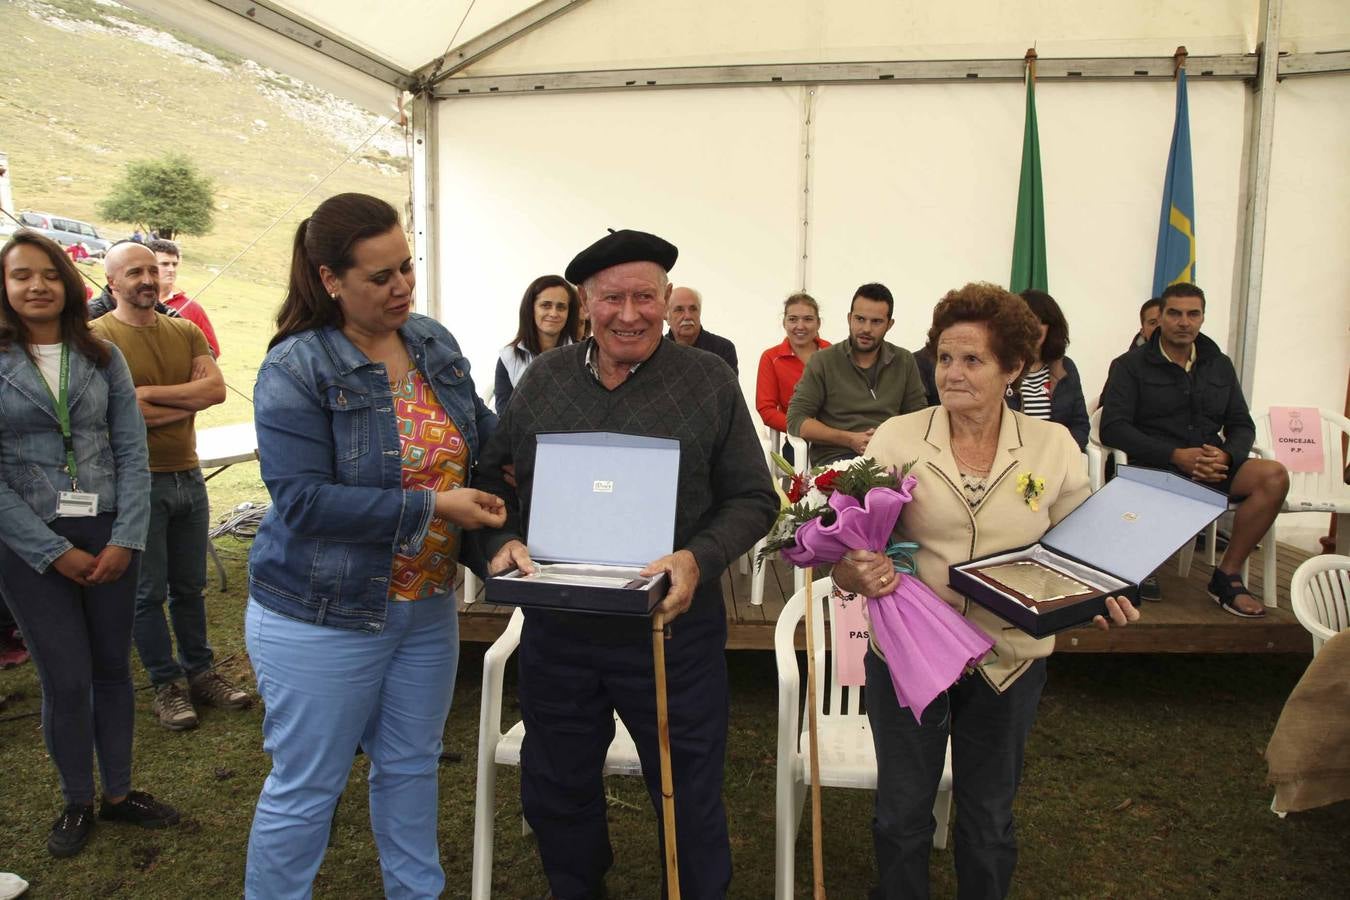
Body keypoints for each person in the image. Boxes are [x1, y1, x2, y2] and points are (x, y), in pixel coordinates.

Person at [478, 228, 777, 898]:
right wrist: (501, 541)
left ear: (668, 300)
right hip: (559, 628)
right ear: (586, 303)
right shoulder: (546, 379)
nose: (631, 313)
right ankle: (577, 885)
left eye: (646, 296)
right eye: (613, 298)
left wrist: (699, 556)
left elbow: (755, 498)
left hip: (670, 632)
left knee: (686, 788)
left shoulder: (708, 381)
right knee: (556, 784)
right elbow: (492, 477)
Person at [833, 281, 1139, 898]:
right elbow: (847, 543)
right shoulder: (897, 436)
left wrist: (1100, 593)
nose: (952, 372)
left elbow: (1079, 549)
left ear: (1014, 368)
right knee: (900, 816)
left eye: (972, 359)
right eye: (945, 357)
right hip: (910, 657)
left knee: (989, 820)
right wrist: (850, 571)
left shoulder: (1053, 445)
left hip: (1010, 659)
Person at [244, 193, 505, 899]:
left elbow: (480, 437)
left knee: (412, 765)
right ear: (330, 279)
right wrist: (432, 506)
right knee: (309, 786)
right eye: (380, 277)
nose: (402, 289)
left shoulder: (430, 341)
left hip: (425, 606)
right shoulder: (297, 367)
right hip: (321, 614)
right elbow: (301, 501)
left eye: (407, 268)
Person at [0, 231, 179, 859]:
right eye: (22, 275)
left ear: (70, 283)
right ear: (5, 285)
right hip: (28, 546)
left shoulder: (103, 356)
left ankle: (120, 793)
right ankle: (77, 799)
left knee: (112, 671)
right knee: (65, 678)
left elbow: (132, 450)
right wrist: (51, 552)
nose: (37, 286)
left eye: (49, 273)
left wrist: (127, 536)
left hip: (110, 534)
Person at [91, 242, 249, 730]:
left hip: (188, 474)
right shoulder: (97, 336)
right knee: (147, 593)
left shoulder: (184, 330)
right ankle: (166, 684)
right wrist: (183, 402)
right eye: (133, 272)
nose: (146, 278)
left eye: (151, 270)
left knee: (190, 586)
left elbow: (215, 390)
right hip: (136, 483)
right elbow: (119, 412)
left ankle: (201, 672)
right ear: (111, 282)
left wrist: (146, 395)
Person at [1101, 282, 1289, 618]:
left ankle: (1226, 575)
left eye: (1193, 314)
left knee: (1273, 476)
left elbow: (1242, 424)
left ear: (1202, 318)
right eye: (1175, 313)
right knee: (1162, 475)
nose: (1184, 322)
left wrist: (1228, 456)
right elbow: (1113, 427)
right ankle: (1137, 565)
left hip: (1211, 466)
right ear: (1160, 318)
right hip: (1157, 469)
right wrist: (1176, 455)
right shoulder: (1130, 365)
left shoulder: (1219, 364)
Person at [786, 282, 928, 466]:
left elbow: (919, 418)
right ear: (849, 318)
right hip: (835, 460)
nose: (866, 329)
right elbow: (797, 420)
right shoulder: (823, 361)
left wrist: (885, 439)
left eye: (876, 321)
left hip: (892, 459)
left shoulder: (904, 361)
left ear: (889, 324)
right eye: (860, 319)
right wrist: (849, 439)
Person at [1006, 289, 1090, 450]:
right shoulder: (1001, 368)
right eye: (1027, 320)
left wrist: (1059, 452)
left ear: (1051, 327)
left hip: (1056, 455)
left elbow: (1081, 426)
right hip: (1013, 457)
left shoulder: (1066, 368)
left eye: (1040, 321)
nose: (1033, 328)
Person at [755, 292, 829, 463]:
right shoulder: (771, 357)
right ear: (784, 322)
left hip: (835, 439)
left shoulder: (832, 352)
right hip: (798, 439)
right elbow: (766, 410)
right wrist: (804, 428)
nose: (800, 326)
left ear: (818, 323)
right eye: (793, 319)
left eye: (808, 319)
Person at [493, 274, 578, 415]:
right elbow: (505, 416)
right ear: (531, 309)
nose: (553, 313)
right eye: (546, 305)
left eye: (561, 307)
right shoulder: (509, 357)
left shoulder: (583, 355)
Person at [148, 239, 221, 359]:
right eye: (164, 264)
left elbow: (212, 353)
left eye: (174, 264)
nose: (171, 269)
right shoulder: (132, 302)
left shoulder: (193, 309)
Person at [665, 285, 739, 372]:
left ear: (700, 312)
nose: (688, 316)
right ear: (666, 316)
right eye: (679, 310)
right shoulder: (659, 352)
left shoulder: (723, 349)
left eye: (693, 309)